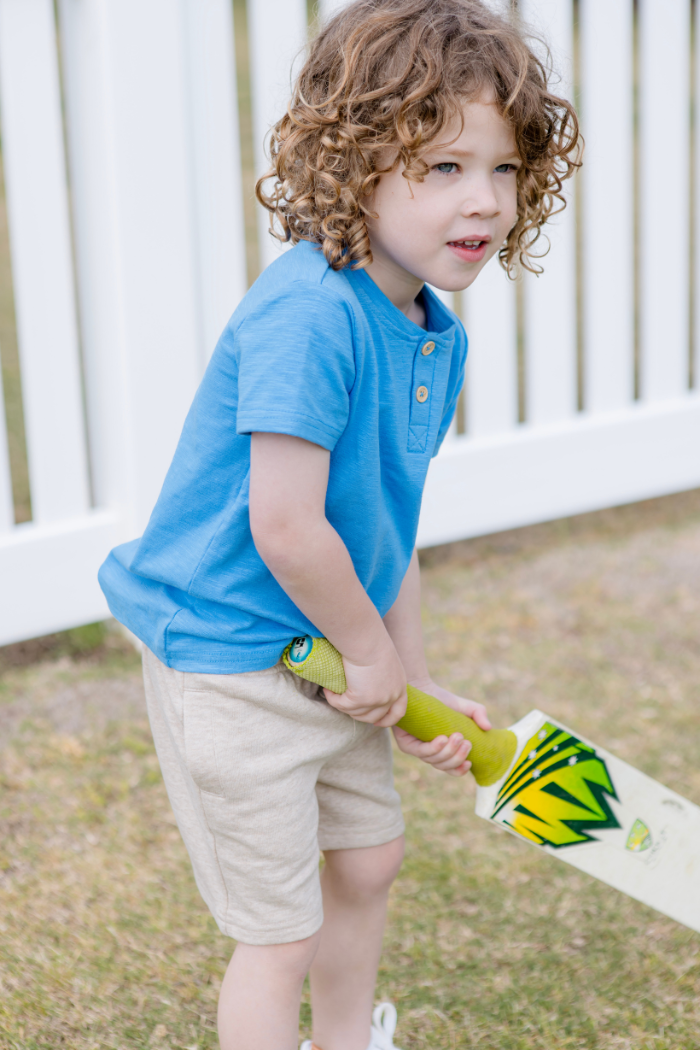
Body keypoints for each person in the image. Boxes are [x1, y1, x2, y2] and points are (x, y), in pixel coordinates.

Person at [98, 1, 580, 1047]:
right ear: (357, 163)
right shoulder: (308, 318)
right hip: (231, 654)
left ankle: (348, 1035)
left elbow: (380, 532)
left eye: (502, 170)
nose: (485, 201)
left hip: (331, 645)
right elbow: (284, 527)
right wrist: (368, 653)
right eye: (444, 167)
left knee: (367, 860)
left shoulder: (427, 330)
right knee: (277, 927)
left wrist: (405, 674)